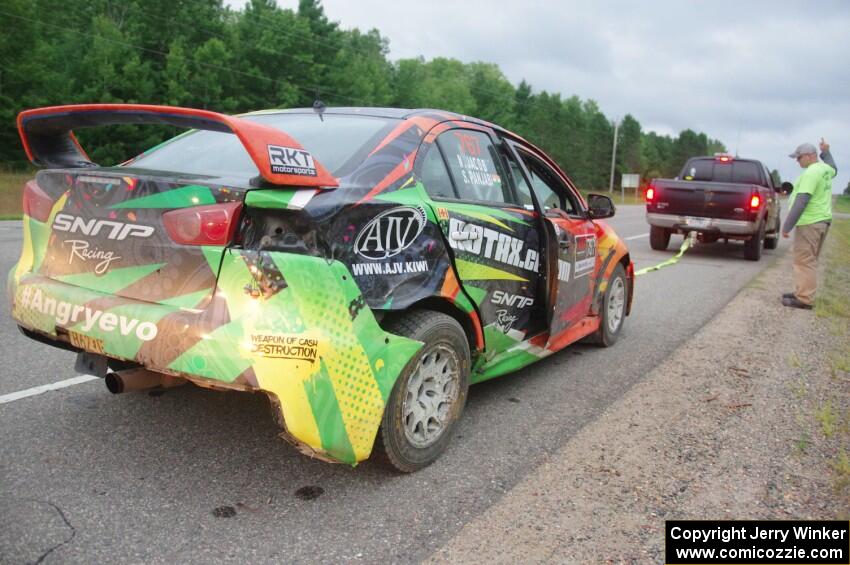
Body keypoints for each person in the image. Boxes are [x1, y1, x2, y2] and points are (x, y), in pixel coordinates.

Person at [781, 138, 837, 310]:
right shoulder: (825, 169)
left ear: (808, 156)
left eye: (798, 158)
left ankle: (804, 298)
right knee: (809, 260)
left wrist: (787, 226)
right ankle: (802, 291)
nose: (797, 161)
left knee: (804, 261)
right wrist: (826, 152)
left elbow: (802, 200)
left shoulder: (811, 173)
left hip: (810, 223)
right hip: (822, 221)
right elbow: (834, 168)